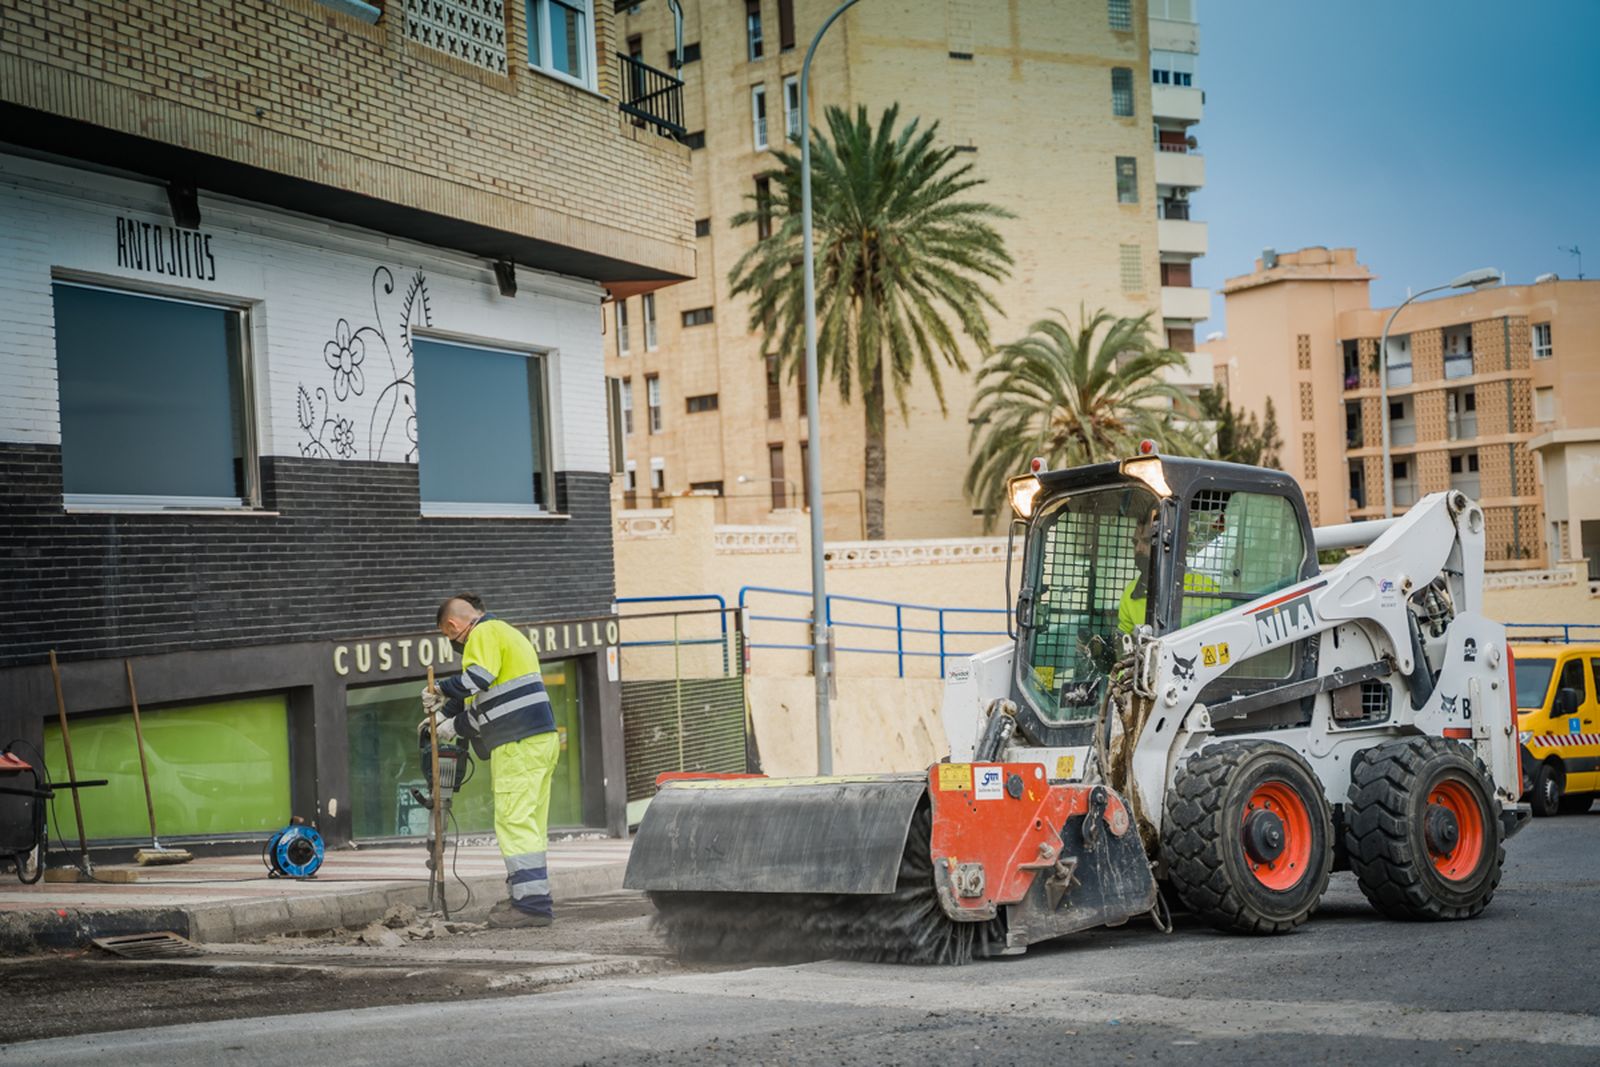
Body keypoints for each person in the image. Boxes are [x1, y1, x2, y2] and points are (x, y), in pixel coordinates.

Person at [422, 595, 559, 929]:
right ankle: (527, 895)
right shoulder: (508, 635)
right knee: (529, 823)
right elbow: (484, 699)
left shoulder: (482, 634)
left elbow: (475, 681)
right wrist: (444, 717)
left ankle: (531, 906)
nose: (454, 645)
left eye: (448, 637)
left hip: (518, 744)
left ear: (453, 626)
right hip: (540, 739)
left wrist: (440, 690)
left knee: (513, 821)